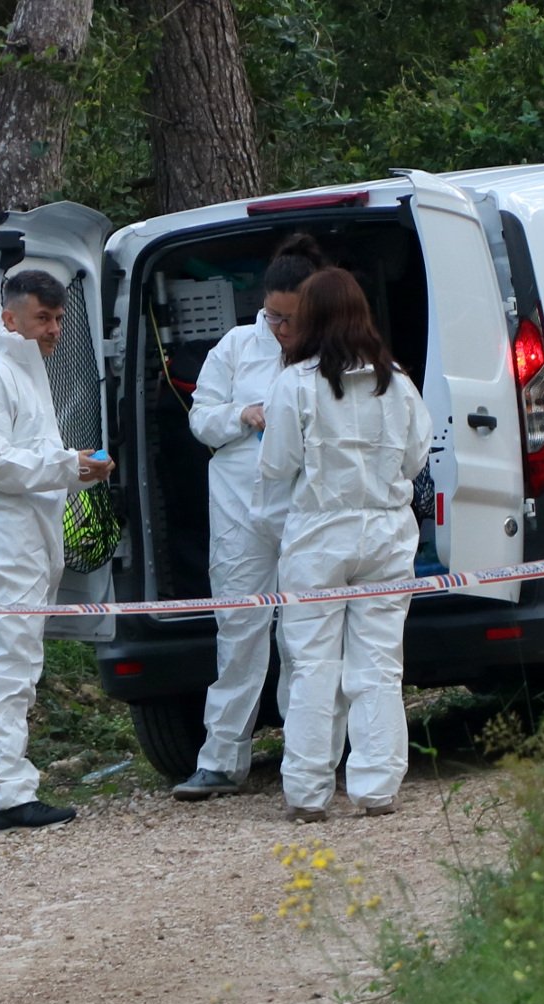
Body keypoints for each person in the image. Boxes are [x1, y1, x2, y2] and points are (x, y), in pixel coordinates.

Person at [0, 269, 116, 833]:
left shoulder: (25, 378)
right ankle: (10, 796)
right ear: (9, 318)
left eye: (59, 319)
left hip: (24, 544)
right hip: (2, 543)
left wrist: (79, 469)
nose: (53, 329)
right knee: (7, 671)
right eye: (43, 318)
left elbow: (29, 464)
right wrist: (67, 464)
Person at [259, 269, 433, 822]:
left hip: (317, 535)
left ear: (309, 318)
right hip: (385, 533)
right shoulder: (398, 382)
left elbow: (277, 464)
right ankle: (377, 787)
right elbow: (416, 457)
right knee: (379, 663)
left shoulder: (294, 384)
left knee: (313, 665)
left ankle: (308, 793)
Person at [170, 235, 325, 801]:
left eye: (293, 318)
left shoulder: (328, 352)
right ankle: (221, 759)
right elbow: (201, 419)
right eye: (274, 315)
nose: (282, 327)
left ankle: (308, 756)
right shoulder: (236, 346)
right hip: (238, 506)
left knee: (304, 631)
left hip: (305, 507)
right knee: (239, 629)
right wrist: (245, 413)